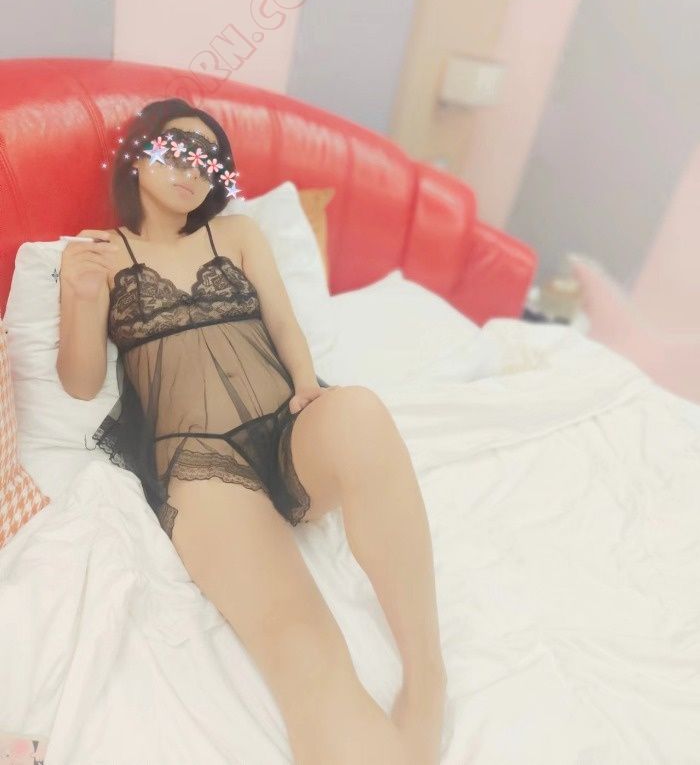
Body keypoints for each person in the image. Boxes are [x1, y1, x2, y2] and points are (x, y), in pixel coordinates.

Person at [56, 98, 446, 764]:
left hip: (287, 431)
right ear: (138, 155)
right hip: (200, 464)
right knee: (303, 646)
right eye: (178, 151)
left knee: (361, 411)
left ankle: (428, 675)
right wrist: (80, 298)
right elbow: (81, 384)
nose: (193, 171)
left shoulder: (236, 235)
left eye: (209, 162)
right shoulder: (99, 256)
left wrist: (308, 387)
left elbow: (285, 323)